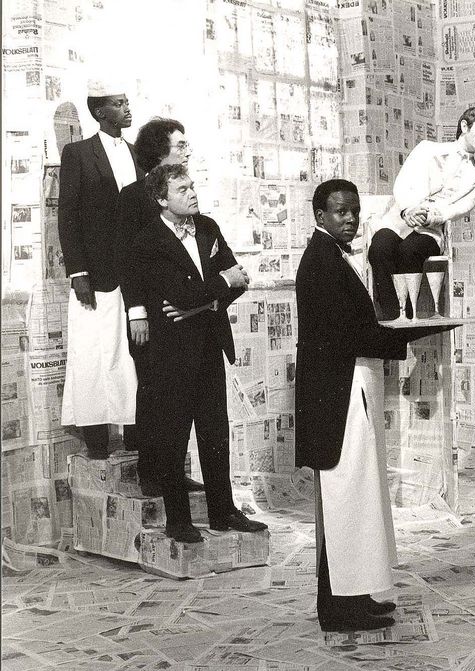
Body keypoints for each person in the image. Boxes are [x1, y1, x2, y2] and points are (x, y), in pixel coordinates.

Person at [295, 180, 456, 632]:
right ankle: (338, 606)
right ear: (319, 216)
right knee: (347, 495)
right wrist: (417, 329)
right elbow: (352, 335)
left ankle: (356, 594)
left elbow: (356, 329)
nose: (349, 219)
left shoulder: (329, 257)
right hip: (338, 393)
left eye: (354, 211)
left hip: (351, 384)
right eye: (340, 211)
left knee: (360, 496)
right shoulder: (321, 262)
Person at [129, 164, 266, 543]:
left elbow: (239, 280)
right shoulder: (148, 241)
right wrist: (215, 289)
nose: (192, 193)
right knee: (173, 434)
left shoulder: (207, 227)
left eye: (192, 186)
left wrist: (201, 305)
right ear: (161, 199)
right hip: (170, 352)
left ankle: (223, 512)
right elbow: (203, 288)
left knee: (215, 430)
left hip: (208, 342)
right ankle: (178, 520)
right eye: (181, 189)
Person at [58, 78, 142, 460]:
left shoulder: (138, 152)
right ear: (99, 111)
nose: (127, 108)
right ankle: (97, 442)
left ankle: (139, 439)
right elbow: (68, 215)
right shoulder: (77, 154)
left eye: (126, 102)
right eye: (118, 103)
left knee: (133, 355)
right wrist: (78, 273)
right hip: (95, 274)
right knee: (94, 353)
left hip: (135, 273)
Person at [116, 117, 199, 495]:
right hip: (149, 316)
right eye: (180, 145)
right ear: (160, 151)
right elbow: (125, 260)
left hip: (184, 314)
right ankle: (153, 475)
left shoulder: (184, 191)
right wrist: (136, 311)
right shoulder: (133, 197)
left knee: (182, 400)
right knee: (153, 395)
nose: (186, 150)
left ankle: (173, 474)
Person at [368, 107, 475, 319]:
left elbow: (459, 208)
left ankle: (409, 316)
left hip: (430, 229)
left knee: (410, 251)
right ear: (465, 126)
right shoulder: (427, 149)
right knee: (380, 247)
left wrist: (431, 215)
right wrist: (408, 209)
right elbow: (402, 182)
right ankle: (391, 316)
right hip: (399, 218)